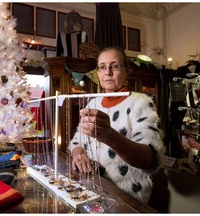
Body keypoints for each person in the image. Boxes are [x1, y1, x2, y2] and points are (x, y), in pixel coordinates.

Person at [69, 47, 165, 204]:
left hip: (126, 198)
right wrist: (78, 153)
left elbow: (149, 158)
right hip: (93, 191)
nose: (107, 72)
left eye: (114, 66)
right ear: (97, 73)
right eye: (102, 67)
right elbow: (77, 140)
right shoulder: (93, 102)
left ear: (126, 70)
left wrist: (109, 135)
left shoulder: (139, 102)